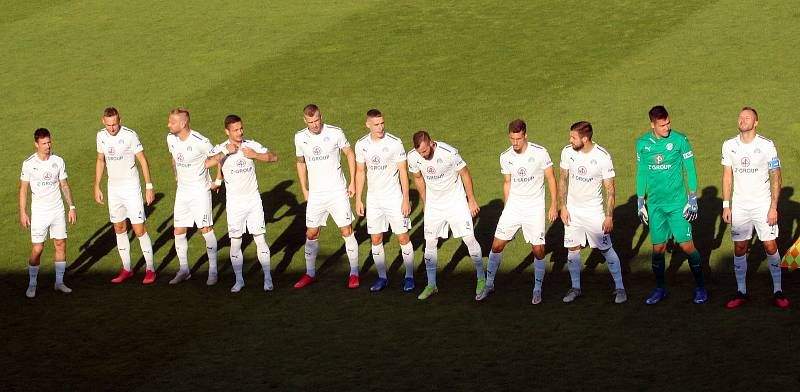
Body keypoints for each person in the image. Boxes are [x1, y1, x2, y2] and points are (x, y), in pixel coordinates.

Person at [476, 120, 557, 304]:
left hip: (534, 208)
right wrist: (507, 207)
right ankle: (489, 284)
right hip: (513, 207)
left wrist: (553, 204)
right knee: (496, 246)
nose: (515, 143)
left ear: (525, 135)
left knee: (538, 250)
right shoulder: (505, 156)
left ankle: (537, 289)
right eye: (512, 139)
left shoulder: (540, 153)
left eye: (518, 139)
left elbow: (551, 178)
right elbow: (507, 182)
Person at [635, 105, 706, 304]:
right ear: (652, 125)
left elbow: (690, 170)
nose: (667, 128)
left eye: (668, 123)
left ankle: (700, 287)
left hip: (677, 204)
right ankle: (660, 289)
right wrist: (641, 201)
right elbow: (642, 172)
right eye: (662, 125)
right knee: (658, 248)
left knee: (686, 246)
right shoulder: (641, 144)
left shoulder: (680, 140)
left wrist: (692, 198)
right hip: (656, 206)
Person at [721, 107, 789, 308]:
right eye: (740, 117)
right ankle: (741, 291)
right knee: (740, 247)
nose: (742, 120)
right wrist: (726, 205)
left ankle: (778, 290)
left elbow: (776, 176)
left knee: (769, 245)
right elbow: (727, 176)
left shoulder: (767, 146)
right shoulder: (729, 145)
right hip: (740, 206)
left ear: (756, 122)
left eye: (747, 118)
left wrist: (773, 207)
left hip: (762, 205)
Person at [407, 131, 484, 300]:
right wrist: (426, 201)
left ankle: (481, 278)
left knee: (469, 239)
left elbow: (465, 173)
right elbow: (418, 177)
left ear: (431, 143)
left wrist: (471, 200)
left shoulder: (449, 153)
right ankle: (431, 284)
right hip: (435, 205)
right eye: (420, 153)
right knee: (430, 243)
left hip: (456, 202)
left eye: (426, 151)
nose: (424, 155)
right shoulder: (413, 157)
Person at [206, 115, 278, 292]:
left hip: (253, 201)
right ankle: (239, 280)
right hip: (235, 204)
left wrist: (255, 155)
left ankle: (268, 278)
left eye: (241, 128)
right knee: (236, 242)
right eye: (236, 130)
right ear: (227, 131)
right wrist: (224, 153)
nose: (240, 132)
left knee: (260, 239)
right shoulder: (222, 148)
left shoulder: (251, 145)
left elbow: (273, 157)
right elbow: (206, 163)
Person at [557, 121, 626, 304]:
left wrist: (609, 216)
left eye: (573, 137)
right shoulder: (567, 152)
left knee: (605, 248)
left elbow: (610, 189)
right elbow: (563, 179)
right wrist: (563, 206)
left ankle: (620, 288)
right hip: (572, 211)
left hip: (594, 212)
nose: (570, 140)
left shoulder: (602, 157)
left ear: (585, 139)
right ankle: (576, 287)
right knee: (573, 249)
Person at [293, 104, 360, 289]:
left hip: (337, 191)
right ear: (305, 121)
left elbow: (349, 153)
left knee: (346, 230)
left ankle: (354, 273)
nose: (314, 125)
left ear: (321, 116)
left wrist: (352, 182)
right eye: (310, 122)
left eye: (317, 120)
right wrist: (304, 189)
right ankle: (310, 273)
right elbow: (300, 163)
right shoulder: (300, 137)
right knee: (311, 233)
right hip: (316, 194)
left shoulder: (335, 133)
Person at [94, 107, 157, 284]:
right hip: (113, 189)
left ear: (119, 120)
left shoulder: (130, 135)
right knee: (119, 228)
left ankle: (150, 269)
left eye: (114, 124)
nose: (112, 128)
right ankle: (127, 268)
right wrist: (97, 185)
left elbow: (143, 160)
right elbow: (100, 160)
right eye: (108, 125)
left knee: (138, 229)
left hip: (131, 189)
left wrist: (149, 186)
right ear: (103, 122)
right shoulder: (101, 136)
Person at [354, 109, 415, 292]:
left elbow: (404, 172)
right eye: (376, 124)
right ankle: (382, 277)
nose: (380, 127)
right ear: (368, 125)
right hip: (373, 199)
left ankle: (410, 277)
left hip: (394, 198)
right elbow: (360, 172)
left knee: (403, 237)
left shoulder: (395, 143)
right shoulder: (361, 145)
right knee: (376, 239)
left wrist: (406, 199)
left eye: (382, 123)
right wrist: (358, 199)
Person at [166, 108, 222, 285]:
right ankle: (184, 270)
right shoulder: (171, 138)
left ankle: (213, 271)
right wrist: (176, 174)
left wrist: (218, 180)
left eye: (172, 122)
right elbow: (174, 158)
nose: (168, 125)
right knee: (178, 231)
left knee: (205, 229)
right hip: (182, 192)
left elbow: (218, 157)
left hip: (199, 191)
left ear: (183, 123)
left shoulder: (200, 141)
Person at [19, 128, 77, 298]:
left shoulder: (58, 161)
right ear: (36, 144)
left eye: (49, 142)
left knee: (60, 244)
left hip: (57, 210)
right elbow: (23, 189)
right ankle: (32, 284)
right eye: (44, 143)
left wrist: (71, 207)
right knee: (37, 249)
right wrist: (23, 212)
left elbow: (64, 185)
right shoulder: (29, 164)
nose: (48, 146)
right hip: (39, 213)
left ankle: (59, 283)